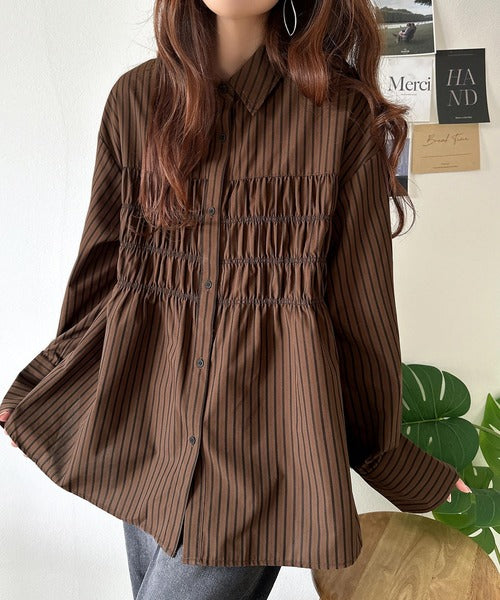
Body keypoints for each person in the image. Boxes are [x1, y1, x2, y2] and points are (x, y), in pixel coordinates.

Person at [1, 1, 472, 598]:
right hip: (150, 434)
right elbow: (103, 276)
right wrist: (50, 385)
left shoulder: (337, 115)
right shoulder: (135, 101)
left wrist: (390, 460)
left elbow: (360, 312)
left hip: (259, 459)